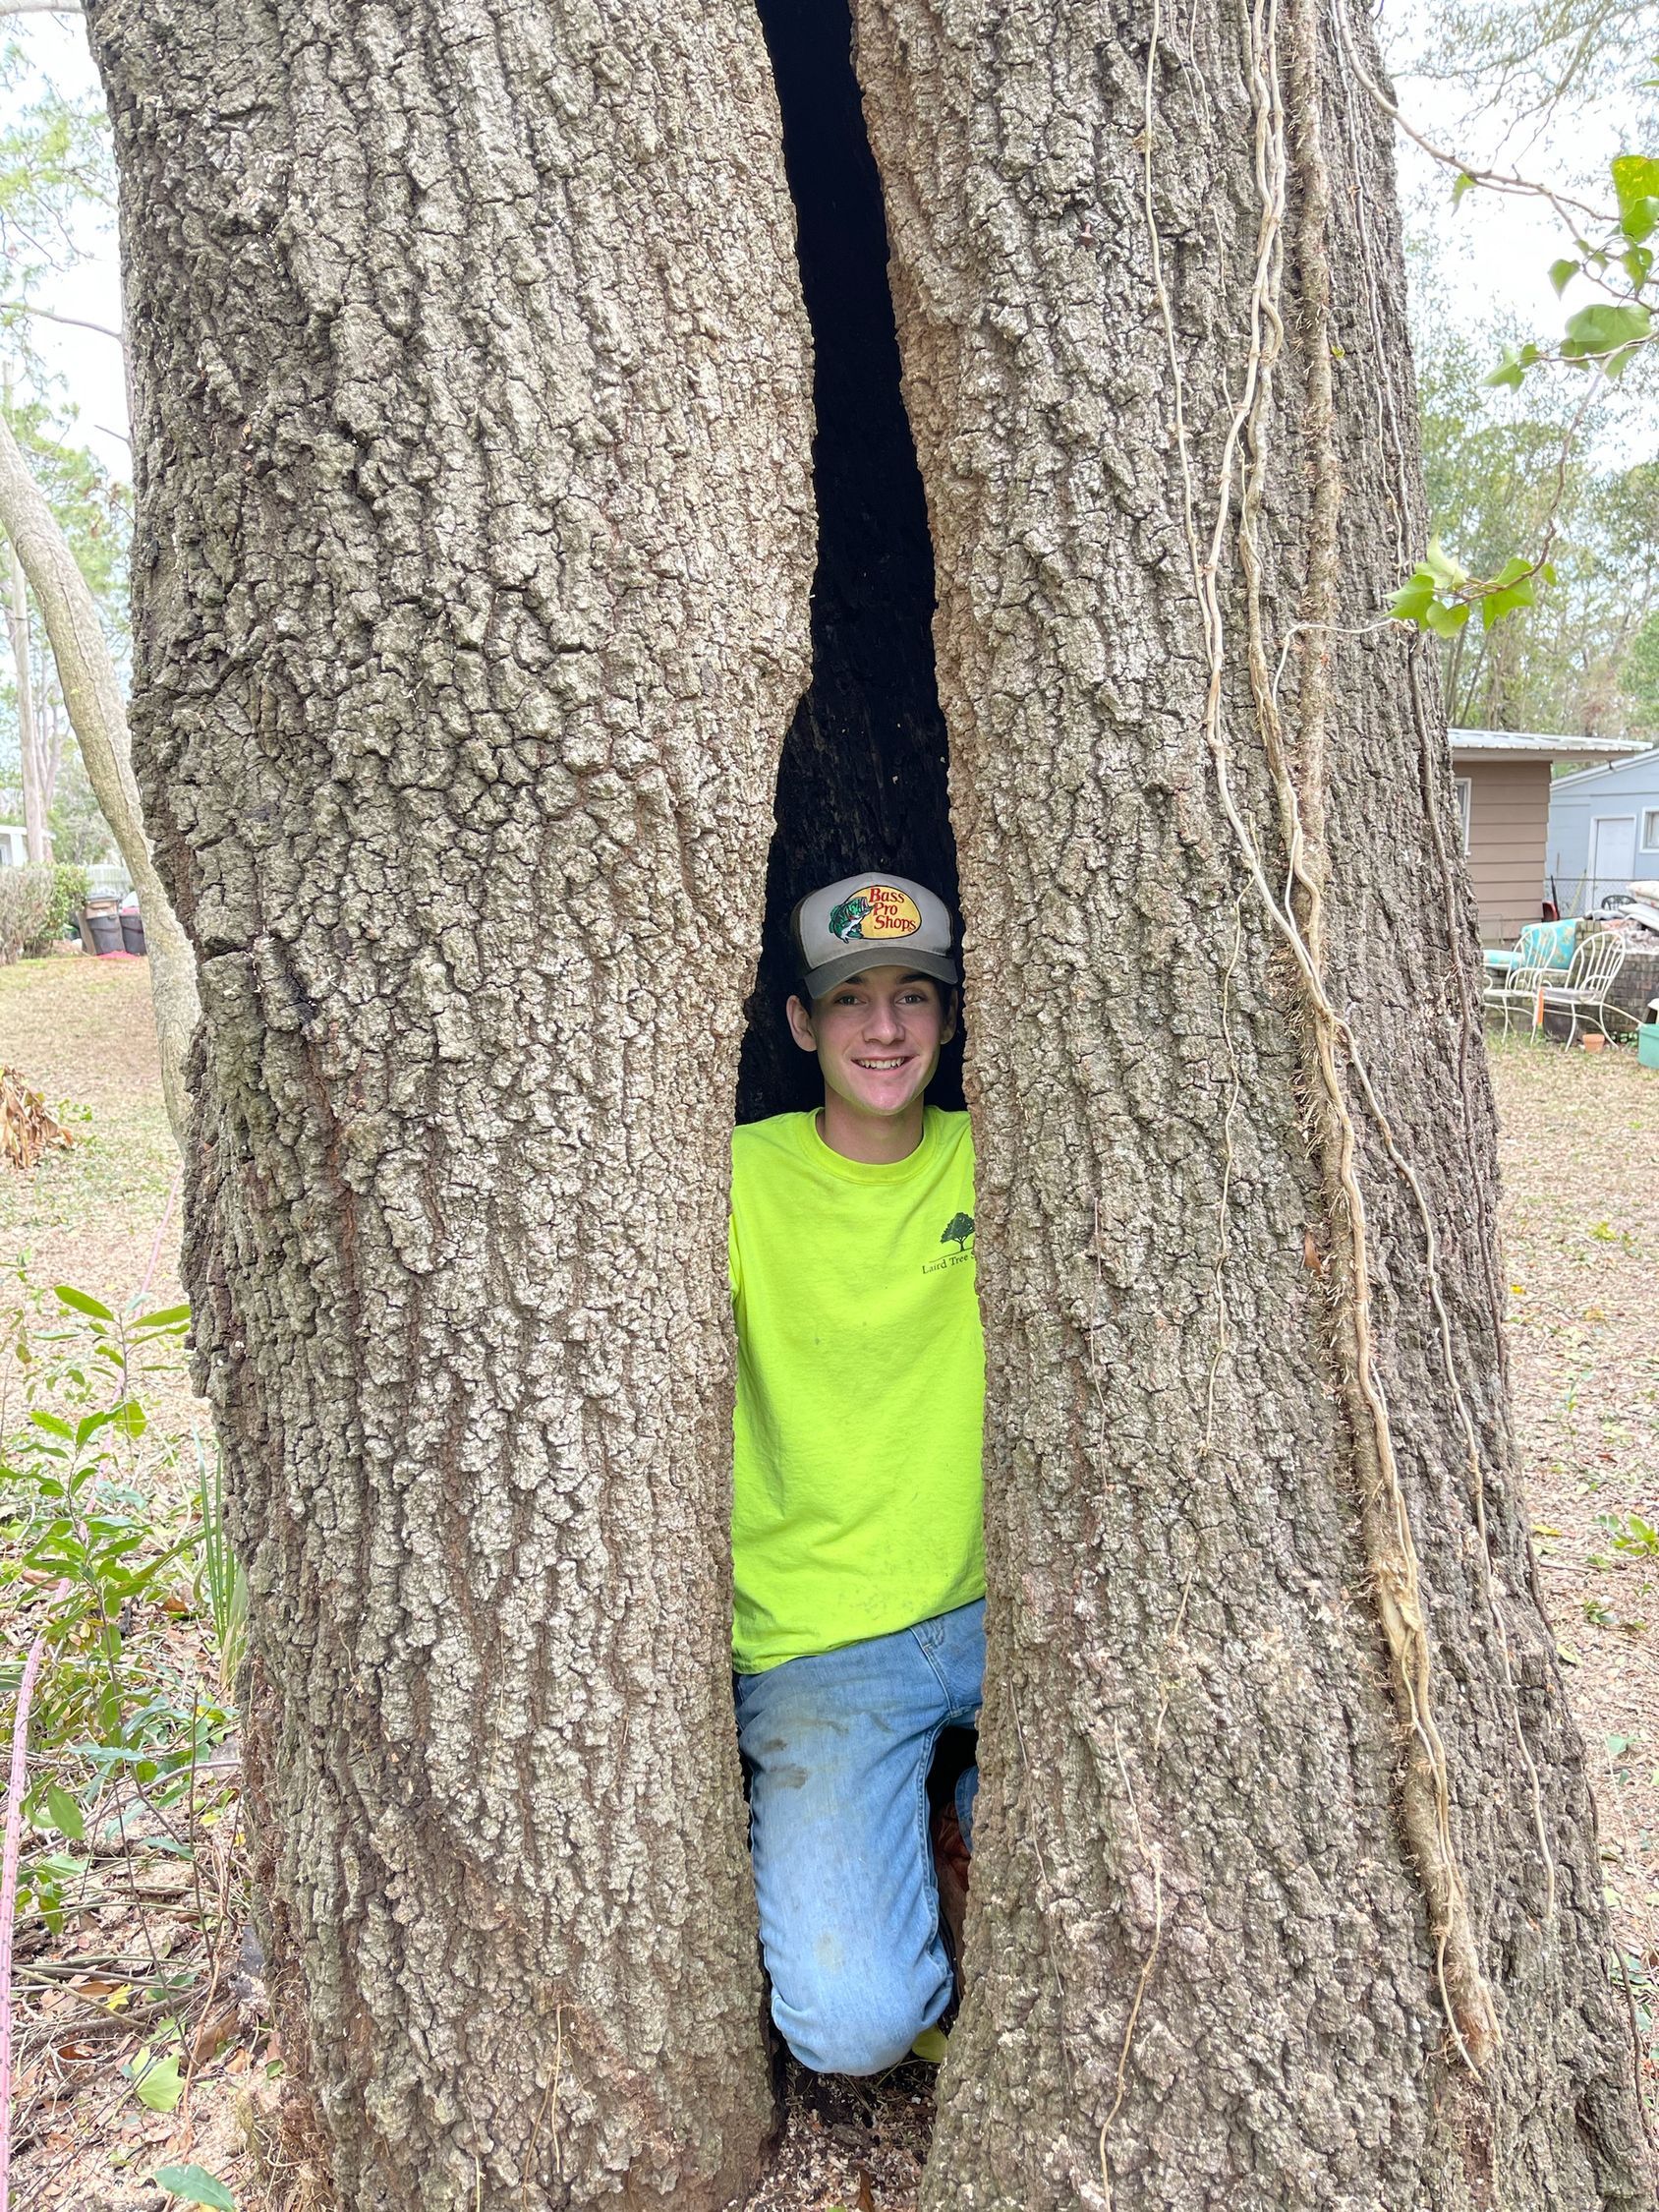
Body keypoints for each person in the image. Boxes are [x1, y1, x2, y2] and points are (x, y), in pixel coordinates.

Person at [728, 870, 984, 2075]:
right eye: (849, 1001)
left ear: (946, 1015)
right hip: (818, 1644)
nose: (883, 1029)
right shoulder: (734, 1180)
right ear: (799, 1022)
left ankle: (967, 1819)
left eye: (912, 996)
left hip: (1006, 1614)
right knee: (854, 2025)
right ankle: (929, 1884)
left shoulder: (1004, 1160)